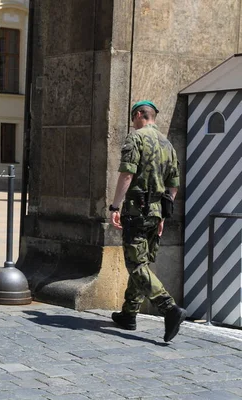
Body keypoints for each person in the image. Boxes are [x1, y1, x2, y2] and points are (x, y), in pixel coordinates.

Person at [109, 100, 186, 343]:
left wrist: (115, 206)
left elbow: (127, 174)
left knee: (135, 264)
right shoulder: (168, 144)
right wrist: (162, 215)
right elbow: (173, 186)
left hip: (136, 209)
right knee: (141, 262)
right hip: (155, 213)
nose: (133, 122)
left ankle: (169, 308)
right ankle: (129, 313)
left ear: (141, 114)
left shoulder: (136, 138)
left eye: (134, 117)